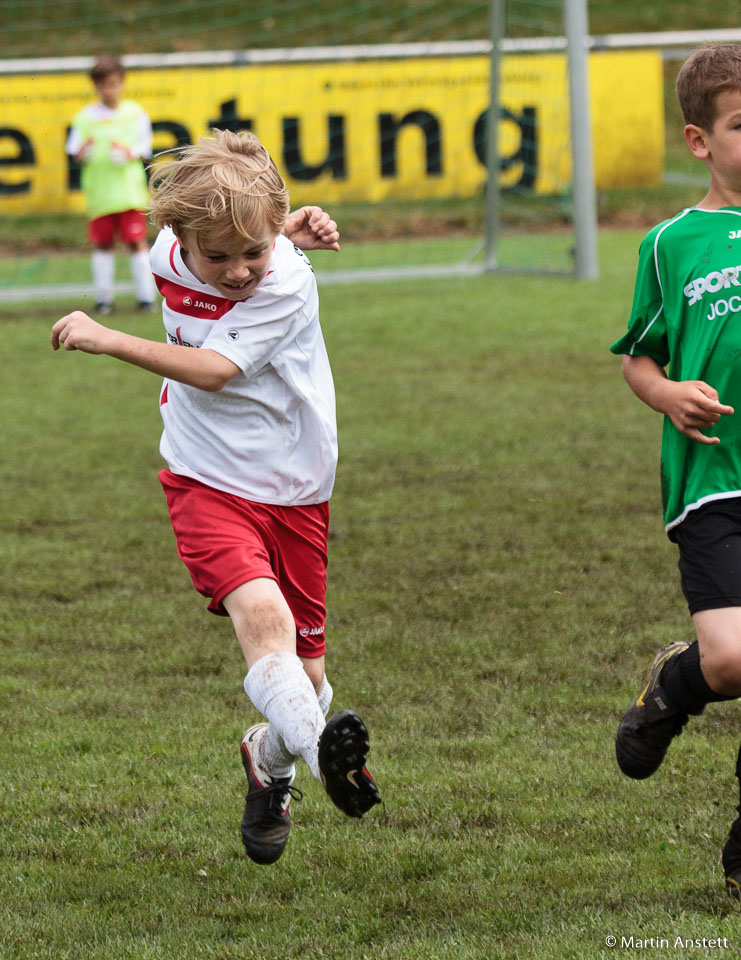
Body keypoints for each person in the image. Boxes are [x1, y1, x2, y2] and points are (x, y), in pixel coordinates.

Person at [50, 129, 381, 866]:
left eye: (252, 254)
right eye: (220, 256)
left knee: (311, 682)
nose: (237, 271)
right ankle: (323, 754)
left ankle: (271, 761)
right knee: (261, 617)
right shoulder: (168, 250)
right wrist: (272, 231)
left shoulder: (288, 282)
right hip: (204, 477)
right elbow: (227, 246)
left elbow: (211, 369)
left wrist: (111, 339)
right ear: (178, 239)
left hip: (296, 488)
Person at [610, 43, 741, 900]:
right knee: (731, 661)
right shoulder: (671, 243)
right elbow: (637, 360)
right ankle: (673, 683)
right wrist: (668, 396)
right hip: (711, 482)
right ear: (699, 140)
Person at [66, 55, 156, 315]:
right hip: (100, 194)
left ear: (122, 83)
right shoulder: (84, 117)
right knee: (102, 244)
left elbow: (145, 147)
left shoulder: (135, 113)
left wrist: (129, 152)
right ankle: (104, 300)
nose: (109, 90)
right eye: (103, 85)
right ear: (96, 86)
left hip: (129, 193)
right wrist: (83, 152)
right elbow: (74, 150)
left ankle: (146, 298)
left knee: (136, 242)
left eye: (114, 84)